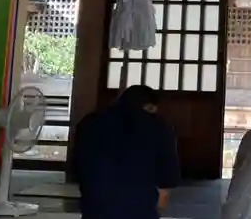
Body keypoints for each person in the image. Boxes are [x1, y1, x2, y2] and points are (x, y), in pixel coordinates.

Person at [70, 85, 182, 219]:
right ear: (149, 107)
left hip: (95, 205)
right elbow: (168, 173)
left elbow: (77, 166)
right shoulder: (158, 125)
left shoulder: (90, 122)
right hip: (140, 206)